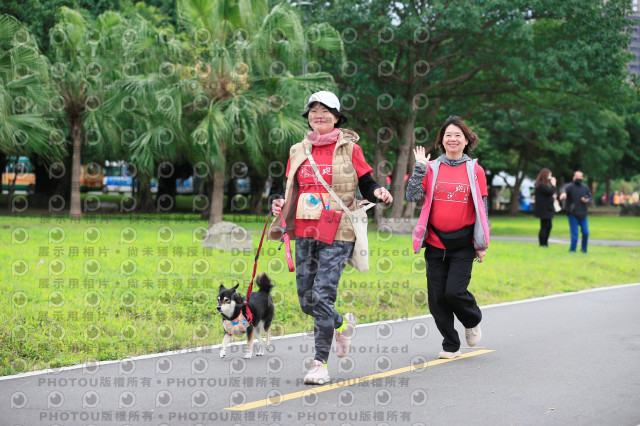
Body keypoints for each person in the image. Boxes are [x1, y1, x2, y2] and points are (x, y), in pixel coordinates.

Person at [268, 91, 393, 384]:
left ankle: (319, 363)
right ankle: (340, 324)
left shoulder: (349, 148)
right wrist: (276, 200)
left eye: (325, 110)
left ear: (336, 117)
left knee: (323, 294)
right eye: (313, 111)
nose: (318, 115)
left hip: (339, 229)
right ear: (308, 117)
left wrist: (378, 192)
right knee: (306, 300)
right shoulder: (298, 150)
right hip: (306, 228)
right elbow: (286, 187)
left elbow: (367, 181)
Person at [406, 115, 489, 360]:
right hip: (435, 242)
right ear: (442, 140)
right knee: (436, 299)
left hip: (463, 243)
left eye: (458, 135)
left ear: (466, 140)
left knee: (454, 292)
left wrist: (481, 243)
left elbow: (482, 209)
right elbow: (412, 196)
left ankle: (472, 319)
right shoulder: (431, 168)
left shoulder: (476, 170)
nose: (452, 139)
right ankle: (450, 344)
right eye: (448, 135)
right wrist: (419, 167)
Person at [559, 170, 591, 253]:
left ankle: (584, 250)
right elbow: (563, 189)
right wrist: (563, 193)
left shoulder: (585, 188)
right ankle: (572, 250)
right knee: (575, 234)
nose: (579, 178)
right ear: (574, 177)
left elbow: (589, 196)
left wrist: (586, 199)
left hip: (583, 214)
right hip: (573, 213)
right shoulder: (569, 186)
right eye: (577, 176)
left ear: (583, 178)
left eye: (580, 176)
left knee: (586, 232)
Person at [533, 168, 557, 247]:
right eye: (549, 175)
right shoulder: (541, 184)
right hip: (544, 209)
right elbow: (550, 191)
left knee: (548, 226)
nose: (550, 177)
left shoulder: (543, 184)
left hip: (547, 208)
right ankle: (542, 243)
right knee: (545, 226)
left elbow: (549, 193)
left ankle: (545, 242)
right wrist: (553, 184)